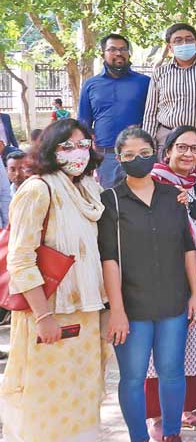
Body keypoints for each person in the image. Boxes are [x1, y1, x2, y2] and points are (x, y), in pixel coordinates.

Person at [0, 118, 107, 442]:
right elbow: (21, 258)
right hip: (48, 313)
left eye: (83, 145)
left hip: (86, 312)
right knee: (44, 401)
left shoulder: (89, 189)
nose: (78, 153)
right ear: (50, 150)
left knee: (82, 397)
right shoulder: (38, 189)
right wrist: (44, 316)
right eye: (67, 146)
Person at [99, 127, 196, 442]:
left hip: (173, 300)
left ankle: (172, 434)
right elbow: (109, 259)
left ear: (155, 153)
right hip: (132, 306)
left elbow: (188, 247)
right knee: (132, 377)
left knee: (172, 371)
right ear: (119, 159)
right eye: (129, 156)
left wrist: (195, 294)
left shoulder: (173, 196)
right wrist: (116, 310)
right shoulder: (111, 200)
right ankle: (138, 437)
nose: (137, 160)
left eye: (144, 153)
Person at [146, 126, 196, 437]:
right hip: (165, 277)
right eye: (182, 147)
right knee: (160, 350)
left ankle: (188, 409)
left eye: (195, 149)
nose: (189, 154)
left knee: (195, 343)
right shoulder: (153, 182)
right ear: (168, 151)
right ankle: (158, 416)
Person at [142, 22, 196, 172]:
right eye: (178, 40)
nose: (184, 43)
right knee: (167, 187)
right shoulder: (160, 73)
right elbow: (150, 113)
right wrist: (147, 146)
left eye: (189, 39)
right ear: (170, 47)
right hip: (167, 138)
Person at [78, 33, 151, 187]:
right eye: (112, 49)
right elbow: (83, 123)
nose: (118, 53)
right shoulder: (91, 85)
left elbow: (153, 116)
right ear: (102, 54)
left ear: (129, 53)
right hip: (106, 156)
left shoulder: (145, 83)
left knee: (141, 199)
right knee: (111, 200)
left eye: (123, 49)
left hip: (137, 153)